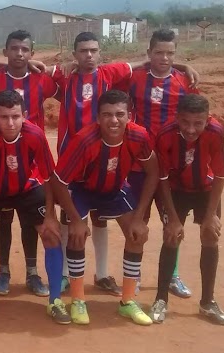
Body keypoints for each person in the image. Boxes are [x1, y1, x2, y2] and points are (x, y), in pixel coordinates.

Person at [51, 32, 198, 296]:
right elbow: (27, 65)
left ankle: (146, 275)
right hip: (86, 160)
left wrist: (182, 66)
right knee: (78, 219)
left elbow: (155, 65)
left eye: (93, 50)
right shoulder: (72, 76)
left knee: (158, 220)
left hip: (143, 160)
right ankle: (68, 276)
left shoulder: (117, 73)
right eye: (83, 51)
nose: (89, 55)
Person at [51, 90, 158, 326]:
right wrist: (75, 219)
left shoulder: (139, 136)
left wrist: (139, 217)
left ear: (129, 115)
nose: (114, 120)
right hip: (82, 190)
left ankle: (127, 301)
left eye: (120, 114)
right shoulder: (84, 140)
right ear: (98, 118)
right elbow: (58, 180)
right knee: (77, 234)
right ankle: (78, 299)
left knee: (137, 234)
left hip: (114, 189)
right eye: (107, 115)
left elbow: (153, 172)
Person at [0, 90, 67, 324]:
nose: (10, 123)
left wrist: (50, 215)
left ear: (25, 115)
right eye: (4, 117)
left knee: (51, 235)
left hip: (28, 189)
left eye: (16, 116)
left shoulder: (36, 135)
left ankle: (56, 301)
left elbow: (49, 176)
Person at [0, 29, 58, 296]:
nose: (19, 54)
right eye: (14, 49)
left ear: (32, 53)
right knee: (3, 219)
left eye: (25, 49)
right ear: (5, 51)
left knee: (29, 222)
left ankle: (33, 273)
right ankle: (3, 272)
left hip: (31, 166)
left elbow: (70, 74)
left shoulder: (41, 80)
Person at [124, 29, 199, 298]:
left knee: (173, 222)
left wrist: (183, 66)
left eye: (170, 53)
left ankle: (172, 275)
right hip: (139, 164)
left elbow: (195, 118)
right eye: (159, 52)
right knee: (137, 220)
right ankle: (135, 273)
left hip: (172, 166)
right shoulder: (135, 79)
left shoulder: (183, 81)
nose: (164, 58)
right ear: (149, 53)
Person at [150, 94, 224, 325]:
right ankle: (161, 299)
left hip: (206, 190)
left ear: (208, 119)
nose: (191, 129)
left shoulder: (216, 132)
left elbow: (220, 174)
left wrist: (211, 214)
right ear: (177, 118)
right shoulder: (165, 134)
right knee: (171, 237)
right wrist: (172, 218)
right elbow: (162, 178)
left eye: (198, 123)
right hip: (175, 190)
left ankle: (207, 302)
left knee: (210, 236)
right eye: (185, 122)